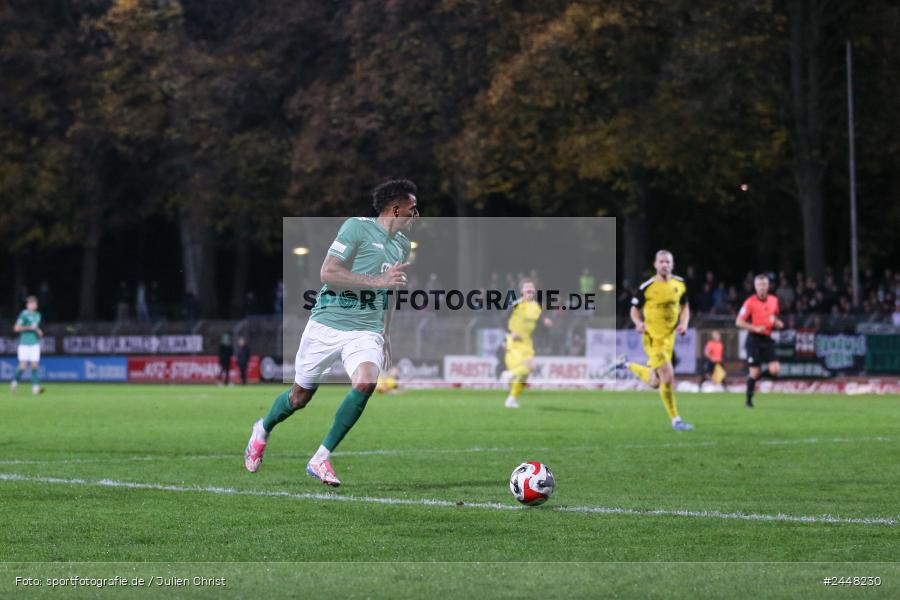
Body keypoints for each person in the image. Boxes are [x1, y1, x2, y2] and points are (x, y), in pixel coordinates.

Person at [244, 179, 418, 487]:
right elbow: (328, 272)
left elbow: (391, 291)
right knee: (299, 398)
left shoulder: (402, 245)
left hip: (366, 330)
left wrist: (386, 331)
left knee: (366, 382)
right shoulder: (356, 228)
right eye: (412, 208)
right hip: (328, 323)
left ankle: (321, 457)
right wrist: (375, 281)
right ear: (395, 209)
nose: (416, 215)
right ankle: (263, 428)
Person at [618, 250, 694, 430]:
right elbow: (634, 309)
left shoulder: (680, 284)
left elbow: (685, 306)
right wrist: (638, 322)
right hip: (653, 338)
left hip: (670, 338)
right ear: (655, 265)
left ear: (672, 264)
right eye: (661, 262)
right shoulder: (647, 287)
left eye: (668, 262)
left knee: (655, 382)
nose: (665, 265)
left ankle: (627, 364)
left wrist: (684, 324)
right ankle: (676, 420)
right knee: (668, 375)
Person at [502, 278, 553, 408]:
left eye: (531, 287)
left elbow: (540, 325)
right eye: (527, 287)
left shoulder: (536, 307)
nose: (530, 289)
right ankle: (507, 375)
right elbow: (502, 320)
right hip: (514, 342)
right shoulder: (516, 304)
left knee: (525, 374)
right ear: (522, 291)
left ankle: (511, 399)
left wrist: (546, 323)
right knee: (528, 367)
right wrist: (510, 332)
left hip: (527, 342)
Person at [735, 274, 784, 408]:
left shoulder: (774, 300)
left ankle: (753, 378)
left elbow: (773, 316)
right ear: (755, 287)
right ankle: (748, 401)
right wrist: (755, 328)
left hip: (767, 339)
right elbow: (739, 321)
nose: (762, 288)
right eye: (759, 285)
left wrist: (777, 322)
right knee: (755, 372)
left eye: (764, 285)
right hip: (754, 340)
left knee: (775, 370)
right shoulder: (750, 302)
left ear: (768, 286)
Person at [11, 296, 43, 395]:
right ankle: (14, 382)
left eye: (35, 303)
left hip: (34, 343)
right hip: (24, 343)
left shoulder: (38, 315)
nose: (34, 305)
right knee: (23, 367)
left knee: (35, 365)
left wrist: (38, 331)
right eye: (31, 303)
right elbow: (16, 328)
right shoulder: (23, 314)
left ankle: (35, 388)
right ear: (27, 305)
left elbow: (35, 326)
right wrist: (29, 327)